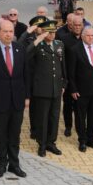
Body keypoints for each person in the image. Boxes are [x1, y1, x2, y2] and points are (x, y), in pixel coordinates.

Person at [0, 19, 30, 179]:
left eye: (11, 31)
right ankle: (2, 164)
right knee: (1, 135)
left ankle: (14, 165)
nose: (9, 34)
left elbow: (26, 75)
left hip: (17, 100)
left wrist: (27, 97)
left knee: (15, 135)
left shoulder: (20, 49)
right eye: (5, 31)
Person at [27, 20, 66, 157]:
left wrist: (64, 83)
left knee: (54, 117)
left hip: (56, 87)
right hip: (42, 88)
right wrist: (39, 39)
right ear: (43, 32)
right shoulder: (38, 45)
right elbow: (26, 54)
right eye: (50, 32)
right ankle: (42, 144)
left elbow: (63, 66)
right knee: (42, 118)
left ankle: (51, 142)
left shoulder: (59, 44)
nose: (53, 35)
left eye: (54, 32)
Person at [67, 26, 93, 152]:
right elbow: (71, 72)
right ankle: (82, 140)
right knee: (80, 116)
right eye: (88, 35)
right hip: (81, 90)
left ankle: (92, 139)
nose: (91, 38)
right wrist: (73, 89)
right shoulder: (74, 50)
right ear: (83, 36)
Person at [60, 15, 83, 136]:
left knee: (79, 106)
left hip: (82, 79)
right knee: (68, 105)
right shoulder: (64, 39)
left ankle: (80, 127)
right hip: (68, 78)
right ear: (71, 25)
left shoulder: (85, 38)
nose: (78, 27)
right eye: (75, 25)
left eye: (80, 25)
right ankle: (68, 126)